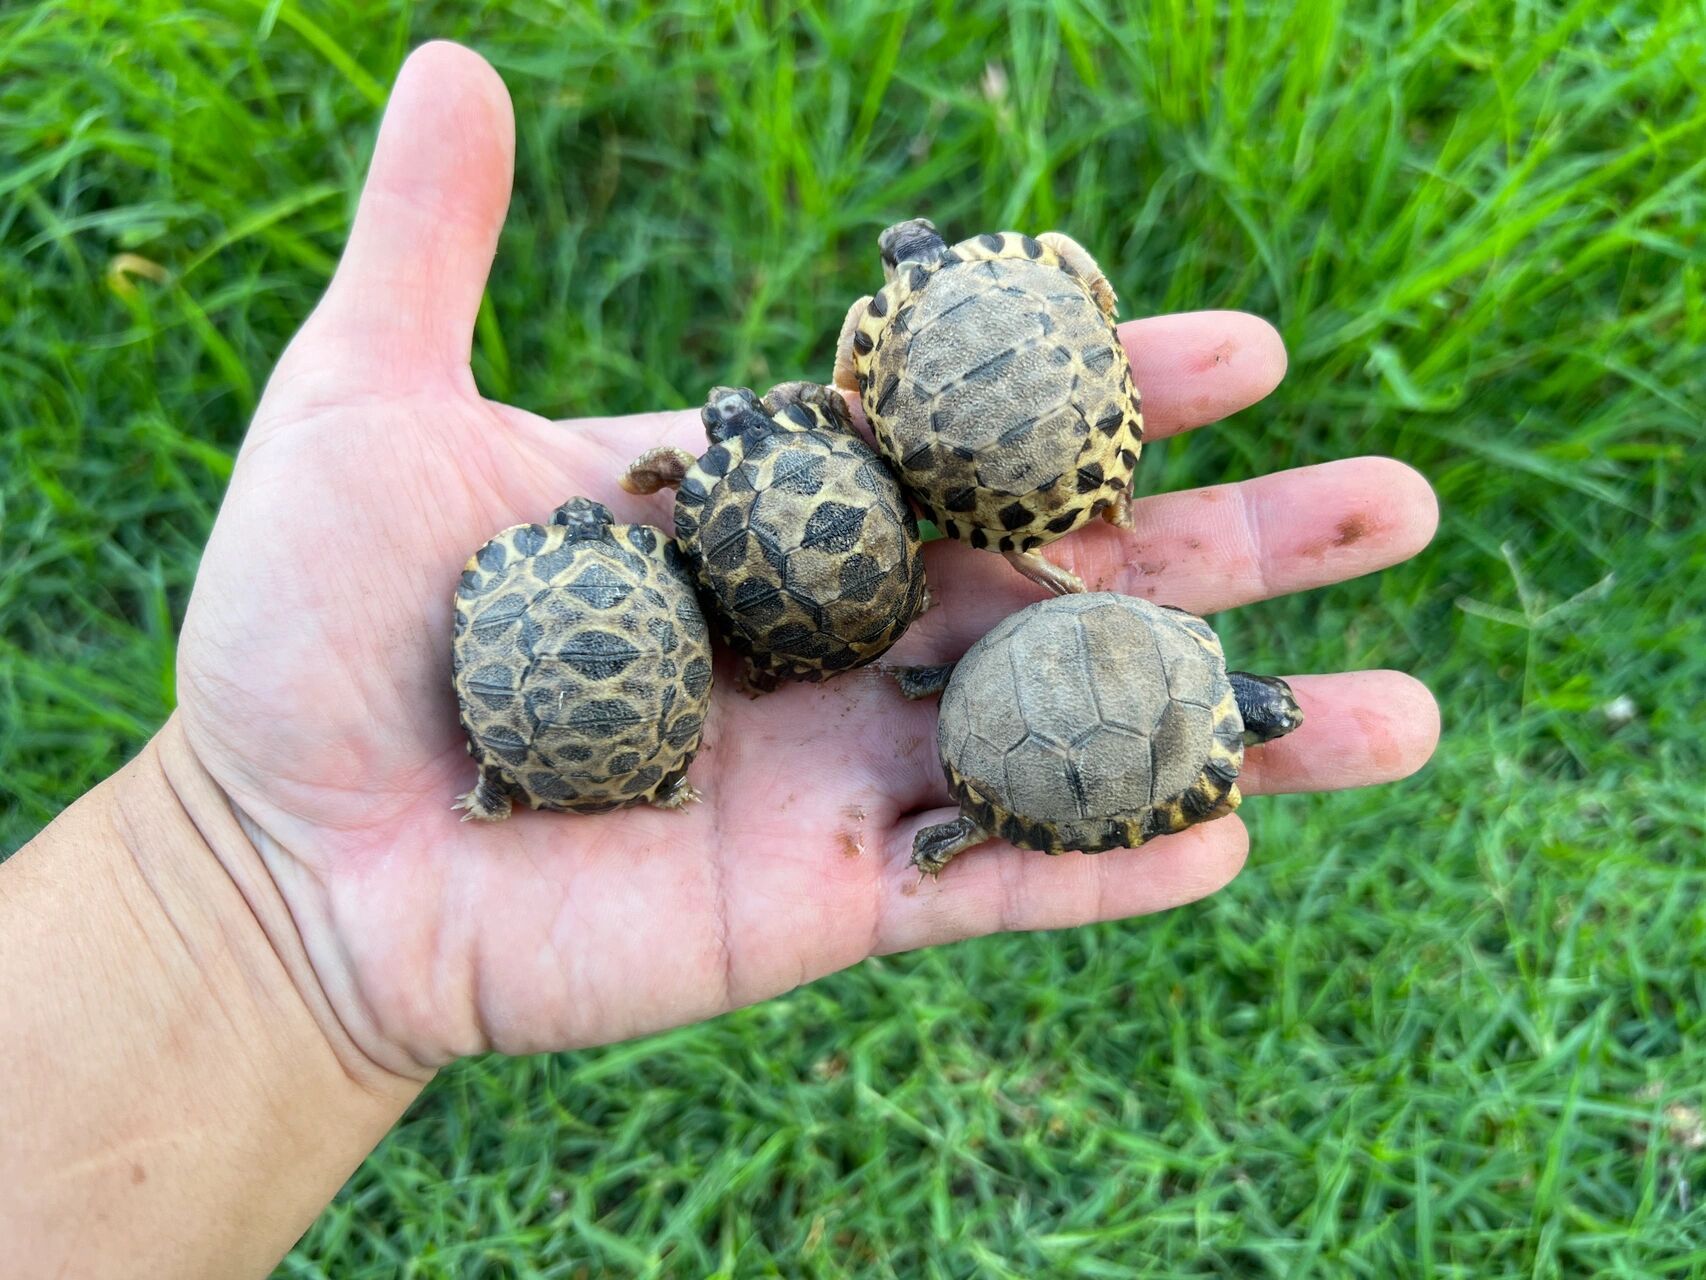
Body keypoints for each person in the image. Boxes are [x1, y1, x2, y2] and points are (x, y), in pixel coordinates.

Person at [0, 41, 1441, 1278]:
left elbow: (848, 403)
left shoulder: (809, 414)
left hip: (824, 621)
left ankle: (838, 713)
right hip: (866, 610)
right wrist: (258, 884)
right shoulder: (964, 392)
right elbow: (1034, 309)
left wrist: (257, 900)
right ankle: (907, 700)